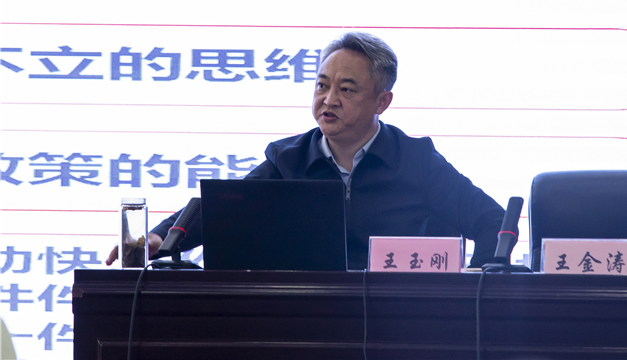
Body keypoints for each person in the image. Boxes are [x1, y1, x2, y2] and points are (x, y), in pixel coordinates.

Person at [107, 32, 506, 270]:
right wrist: (157, 237)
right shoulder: (288, 160)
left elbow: (493, 221)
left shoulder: (416, 161)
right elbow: (225, 209)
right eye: (321, 85)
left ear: (382, 102)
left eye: (346, 89)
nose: (328, 99)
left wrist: (472, 284)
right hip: (311, 316)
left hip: (397, 321)